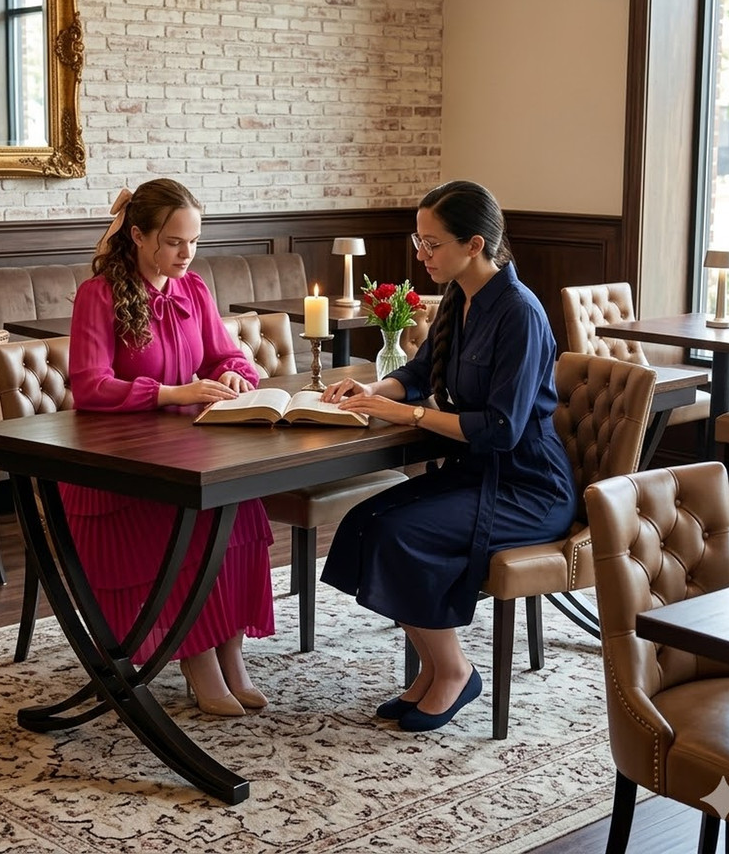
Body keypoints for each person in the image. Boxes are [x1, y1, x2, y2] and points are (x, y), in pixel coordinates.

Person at [319, 180, 576, 732]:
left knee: (401, 534)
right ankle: (435, 669)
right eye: (419, 240)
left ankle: (455, 671)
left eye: (432, 243)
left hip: (527, 488)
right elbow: (419, 373)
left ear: (475, 244)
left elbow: (502, 429)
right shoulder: (461, 296)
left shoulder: (519, 314)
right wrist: (370, 394)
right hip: (474, 473)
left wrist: (407, 416)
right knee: (366, 522)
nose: (420, 253)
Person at [62, 178, 275, 717]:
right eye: (176, 241)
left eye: (195, 241)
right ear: (138, 235)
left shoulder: (194, 289)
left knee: (241, 512)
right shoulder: (99, 294)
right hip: (119, 467)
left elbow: (230, 356)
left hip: (188, 450)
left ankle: (232, 654)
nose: (188, 253)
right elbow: (88, 384)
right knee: (186, 523)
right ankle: (197, 659)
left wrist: (234, 377)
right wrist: (173, 392)